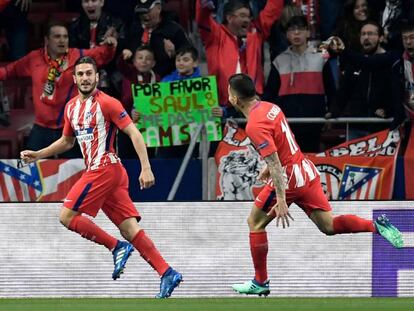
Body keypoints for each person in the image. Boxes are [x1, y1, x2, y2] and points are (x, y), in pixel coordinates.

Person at [20, 56, 183, 299]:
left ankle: (116, 247)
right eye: (81, 74)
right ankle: (167, 272)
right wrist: (38, 154)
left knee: (66, 216)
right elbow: (67, 141)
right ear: (74, 79)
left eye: (89, 73)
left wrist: (146, 167)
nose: (85, 78)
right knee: (130, 229)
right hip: (107, 174)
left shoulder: (108, 103)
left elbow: (134, 133)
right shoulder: (71, 107)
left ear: (97, 77)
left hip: (104, 167)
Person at [227, 73, 403, 296]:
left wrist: (281, 199)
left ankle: (260, 282)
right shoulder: (270, 107)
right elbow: (283, 143)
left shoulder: (254, 124)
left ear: (235, 99)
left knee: (255, 222)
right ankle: (376, 226)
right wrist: (270, 165)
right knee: (328, 226)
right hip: (305, 169)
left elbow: (274, 162)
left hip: (289, 177)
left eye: (229, 91)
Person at [0, 21, 117, 158]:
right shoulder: (34, 58)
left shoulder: (77, 56)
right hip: (41, 128)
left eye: (65, 37)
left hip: (71, 128)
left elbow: (101, 55)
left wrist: (109, 45)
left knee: (75, 170)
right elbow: (8, 71)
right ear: (46, 40)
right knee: (30, 167)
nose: (62, 40)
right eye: (57, 36)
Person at [196, 0, 284, 117]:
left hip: (253, 104)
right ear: (229, 17)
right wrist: (204, 6)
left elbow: (272, 10)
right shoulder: (215, 35)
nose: (247, 20)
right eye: (242, 16)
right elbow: (202, 19)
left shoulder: (255, 33)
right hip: (224, 106)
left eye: (248, 16)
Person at [263, 16, 336, 152]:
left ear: (308, 32)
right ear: (286, 35)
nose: (296, 33)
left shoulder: (321, 57)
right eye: (291, 30)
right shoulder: (279, 60)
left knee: (312, 160)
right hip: (287, 122)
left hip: (315, 120)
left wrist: (331, 113)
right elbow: (270, 94)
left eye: (300, 29)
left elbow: (331, 89)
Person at [329, 21, 394, 139]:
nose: (366, 37)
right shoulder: (354, 63)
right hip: (356, 126)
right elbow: (344, 90)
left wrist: (387, 108)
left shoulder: (390, 60)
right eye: (363, 34)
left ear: (381, 38)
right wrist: (334, 111)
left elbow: (396, 90)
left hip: (382, 127)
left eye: (370, 34)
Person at [123, 0, 190, 78]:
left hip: (166, 81)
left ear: (159, 8)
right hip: (138, 82)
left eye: (147, 11)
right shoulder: (132, 29)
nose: (144, 15)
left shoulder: (174, 30)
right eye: (141, 12)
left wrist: (175, 55)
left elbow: (189, 59)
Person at [116, 45, 159, 159]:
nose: (144, 61)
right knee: (127, 159)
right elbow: (121, 65)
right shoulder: (130, 73)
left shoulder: (158, 79)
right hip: (127, 125)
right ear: (134, 61)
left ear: (153, 63)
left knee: (147, 158)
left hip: (149, 127)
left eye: (148, 58)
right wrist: (123, 56)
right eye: (140, 58)